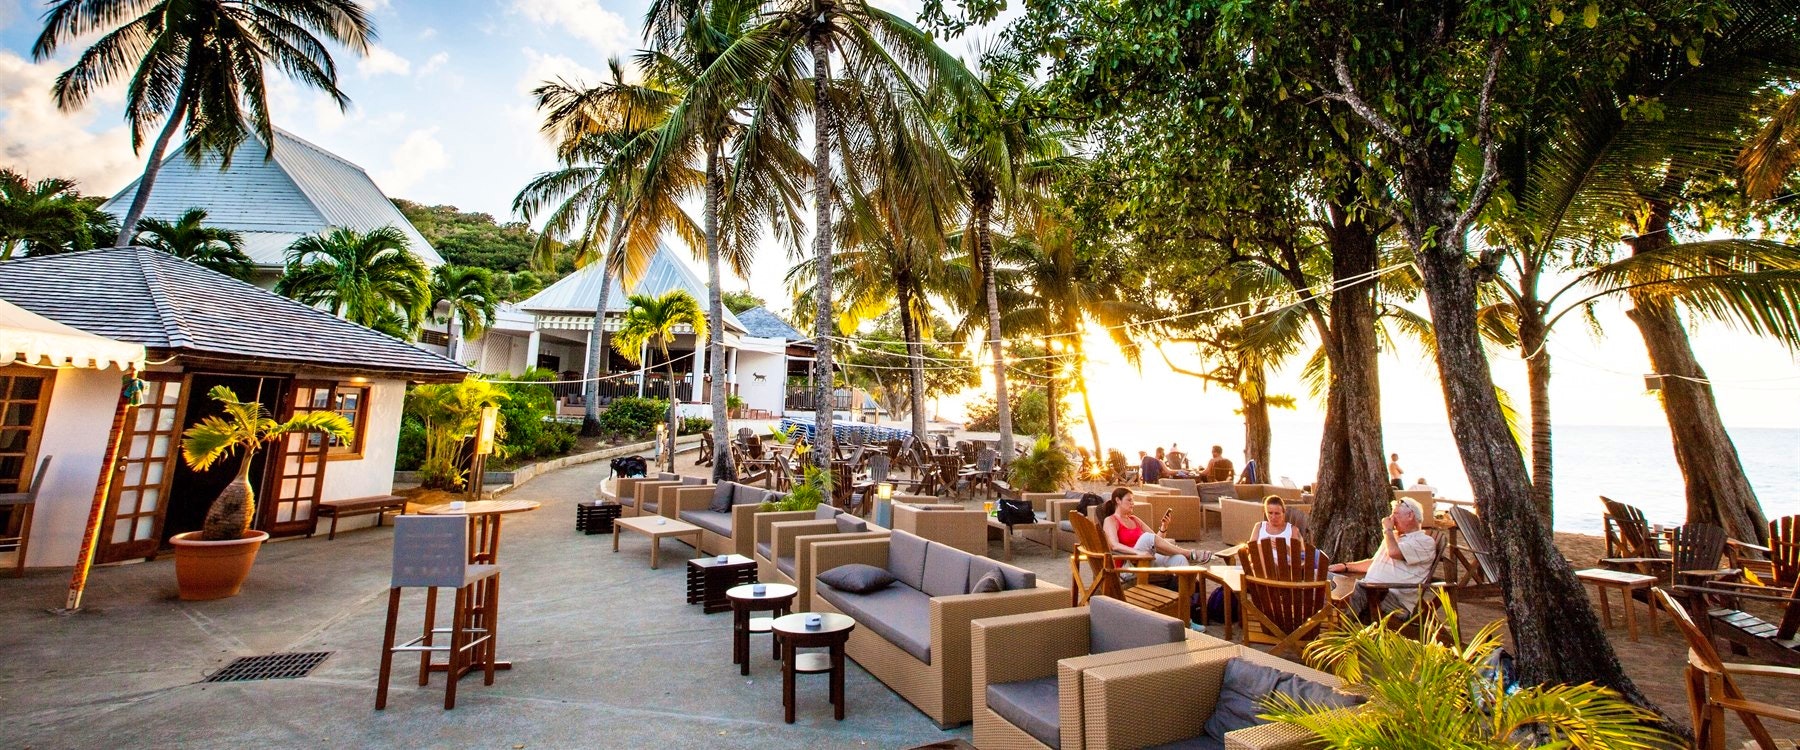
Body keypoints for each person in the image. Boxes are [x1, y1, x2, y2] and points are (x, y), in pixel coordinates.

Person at [1328, 498, 1436, 617]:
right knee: (1322, 575)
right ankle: (1313, 625)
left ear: (1410, 515)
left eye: (1395, 514)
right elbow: (1374, 563)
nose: (1391, 519)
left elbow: (1394, 553)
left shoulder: (1424, 541)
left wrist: (1388, 530)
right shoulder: (1394, 537)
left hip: (1391, 599)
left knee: (1352, 591)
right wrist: (1345, 567)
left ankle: (1341, 629)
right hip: (1370, 588)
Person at [1101, 487, 1209, 567]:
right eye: (1129, 500)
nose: (1132, 503)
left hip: (1147, 559)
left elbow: (1155, 540)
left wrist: (1164, 527)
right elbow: (1114, 546)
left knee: (1179, 559)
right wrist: (1139, 552)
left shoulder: (1134, 519)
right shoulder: (1110, 520)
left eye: (1133, 500)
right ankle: (1189, 554)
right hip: (1128, 564)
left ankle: (1189, 593)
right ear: (1118, 500)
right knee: (1147, 537)